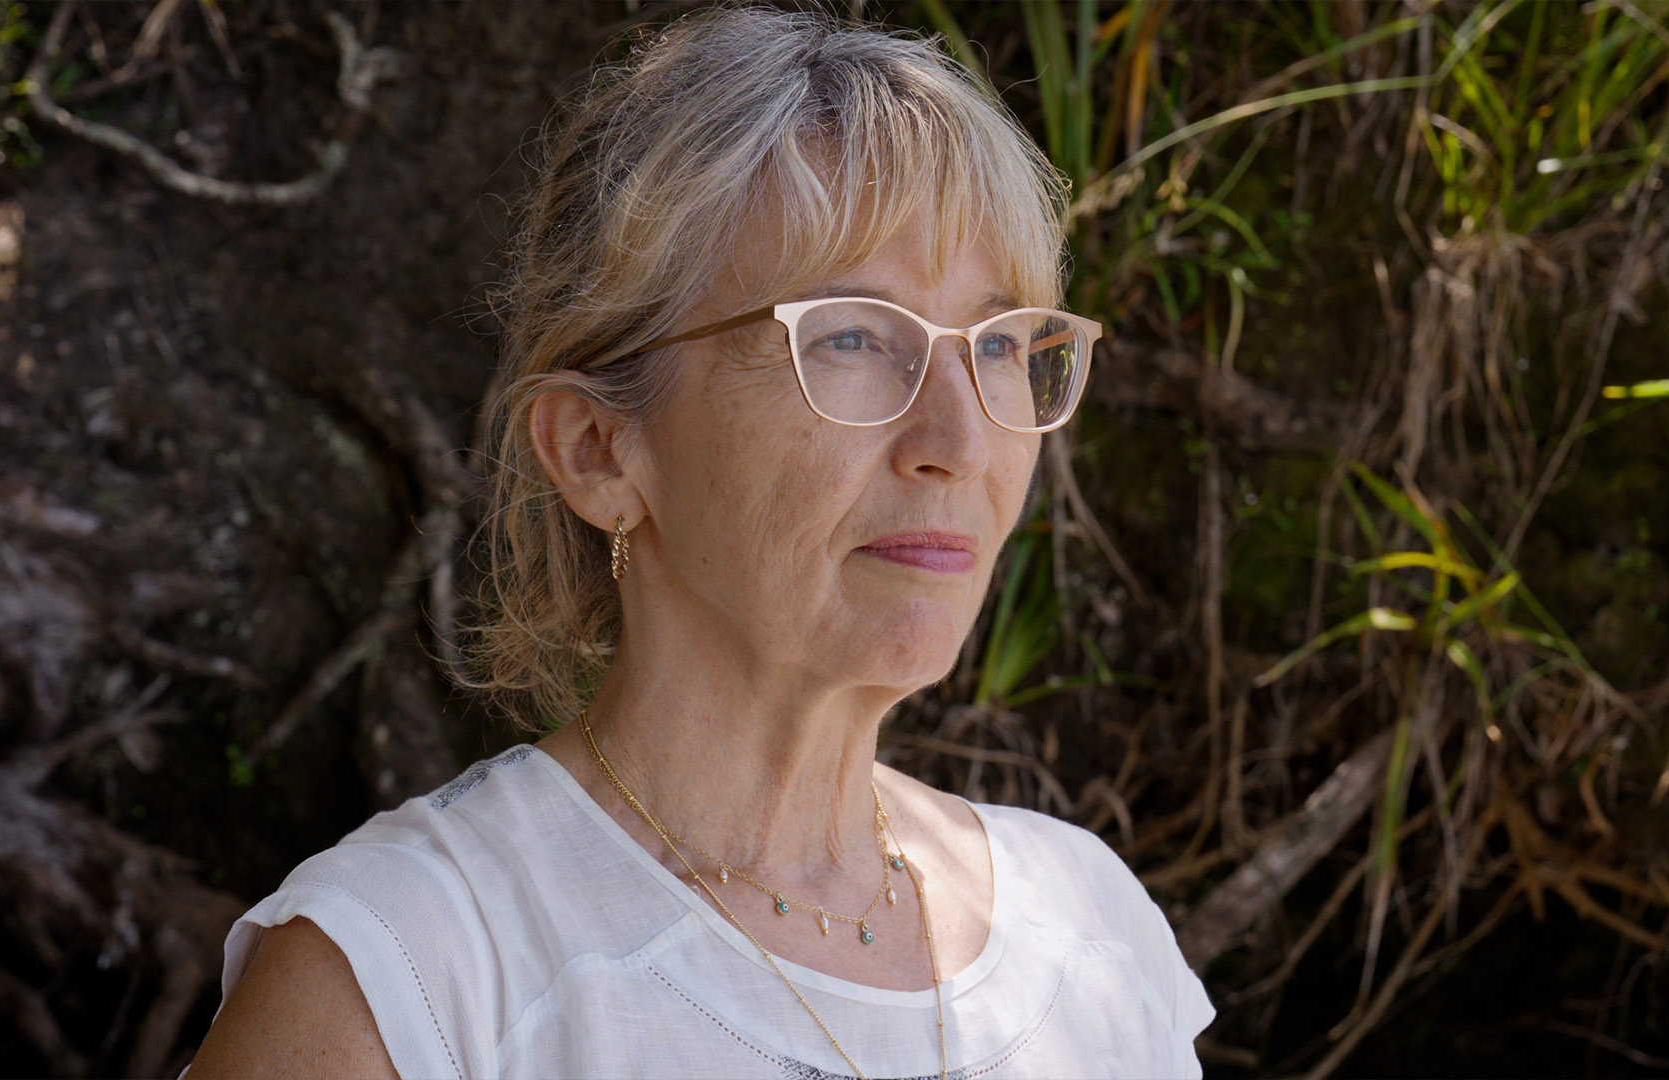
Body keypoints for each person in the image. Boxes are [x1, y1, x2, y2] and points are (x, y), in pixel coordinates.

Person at [185, 6, 1214, 1078]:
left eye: (997, 346)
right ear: (598, 451)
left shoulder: (1091, 934)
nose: (958, 443)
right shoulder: (412, 976)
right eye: (852, 338)